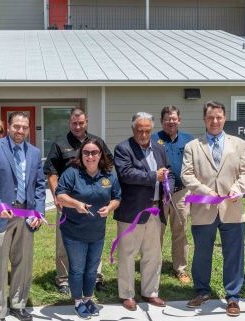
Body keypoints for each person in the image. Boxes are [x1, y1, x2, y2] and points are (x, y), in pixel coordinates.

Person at [181, 101, 245, 317]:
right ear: (204, 119)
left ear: (224, 118)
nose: (215, 121)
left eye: (219, 117)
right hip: (204, 208)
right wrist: (204, 191)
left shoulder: (239, 144)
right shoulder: (193, 146)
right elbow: (187, 175)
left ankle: (233, 297)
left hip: (232, 208)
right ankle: (202, 291)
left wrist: (237, 188)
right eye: (210, 117)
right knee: (202, 253)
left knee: (234, 254)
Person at [0, 111, 46, 321]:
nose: (20, 131)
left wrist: (39, 211)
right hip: (2, 216)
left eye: (24, 127)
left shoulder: (34, 152)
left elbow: (39, 185)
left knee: (23, 263)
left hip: (26, 216)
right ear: (9, 127)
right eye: (16, 126)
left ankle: (18, 304)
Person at [44, 107, 112, 294]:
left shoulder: (96, 142)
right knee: (64, 241)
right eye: (74, 123)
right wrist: (58, 196)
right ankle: (64, 279)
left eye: (81, 123)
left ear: (86, 122)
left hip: (94, 202)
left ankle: (95, 277)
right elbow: (51, 173)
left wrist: (105, 191)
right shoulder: (60, 144)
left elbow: (108, 165)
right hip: (68, 201)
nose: (77, 126)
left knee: (95, 239)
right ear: (69, 123)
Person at [56, 139, 121, 319]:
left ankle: (88, 298)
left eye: (94, 153)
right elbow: (60, 195)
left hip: (97, 232)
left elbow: (117, 197)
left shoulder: (108, 176)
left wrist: (109, 208)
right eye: (86, 152)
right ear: (81, 155)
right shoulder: (72, 173)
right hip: (74, 231)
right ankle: (77, 301)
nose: (90, 156)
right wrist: (76, 203)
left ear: (100, 155)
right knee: (77, 269)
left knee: (92, 269)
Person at [113, 112, 169, 311]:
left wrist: (167, 177)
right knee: (128, 254)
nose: (144, 134)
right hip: (132, 211)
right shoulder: (123, 149)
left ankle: (150, 291)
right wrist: (155, 176)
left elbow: (165, 171)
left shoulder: (159, 148)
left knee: (153, 254)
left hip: (155, 208)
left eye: (147, 130)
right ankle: (127, 294)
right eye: (140, 130)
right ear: (133, 129)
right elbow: (127, 174)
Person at [152, 106, 194, 284]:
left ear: (179, 120)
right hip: (159, 193)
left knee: (180, 230)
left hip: (181, 193)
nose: (171, 122)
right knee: (156, 232)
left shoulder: (188, 140)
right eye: (167, 119)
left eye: (174, 118)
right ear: (162, 121)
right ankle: (153, 267)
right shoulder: (154, 139)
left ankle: (181, 268)